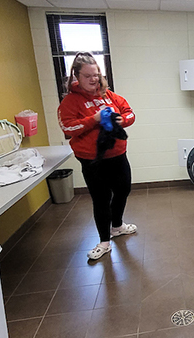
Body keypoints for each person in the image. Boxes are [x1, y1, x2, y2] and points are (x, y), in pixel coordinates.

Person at [57, 52, 136, 260]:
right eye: (88, 75)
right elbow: (68, 126)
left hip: (118, 155)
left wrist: (123, 121)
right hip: (92, 160)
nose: (94, 79)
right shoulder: (70, 102)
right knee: (101, 199)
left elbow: (129, 112)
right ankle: (104, 241)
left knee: (123, 189)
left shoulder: (109, 96)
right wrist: (94, 118)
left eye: (97, 74)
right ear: (77, 77)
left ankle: (117, 226)